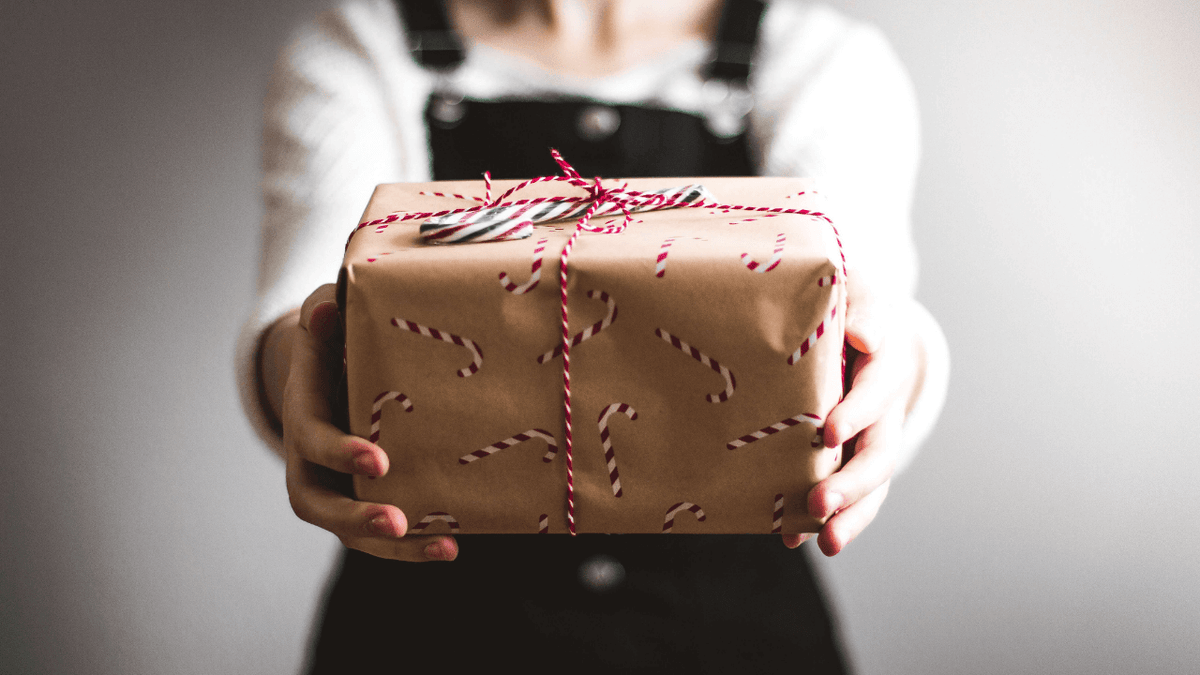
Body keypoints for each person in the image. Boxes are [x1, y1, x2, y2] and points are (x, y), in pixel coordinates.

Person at [237, 0, 950, 671]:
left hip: (735, 635)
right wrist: (301, 372)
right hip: (427, 635)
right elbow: (307, 301)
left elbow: (867, 296)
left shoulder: (818, 60)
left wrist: (894, 365)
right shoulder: (362, 50)